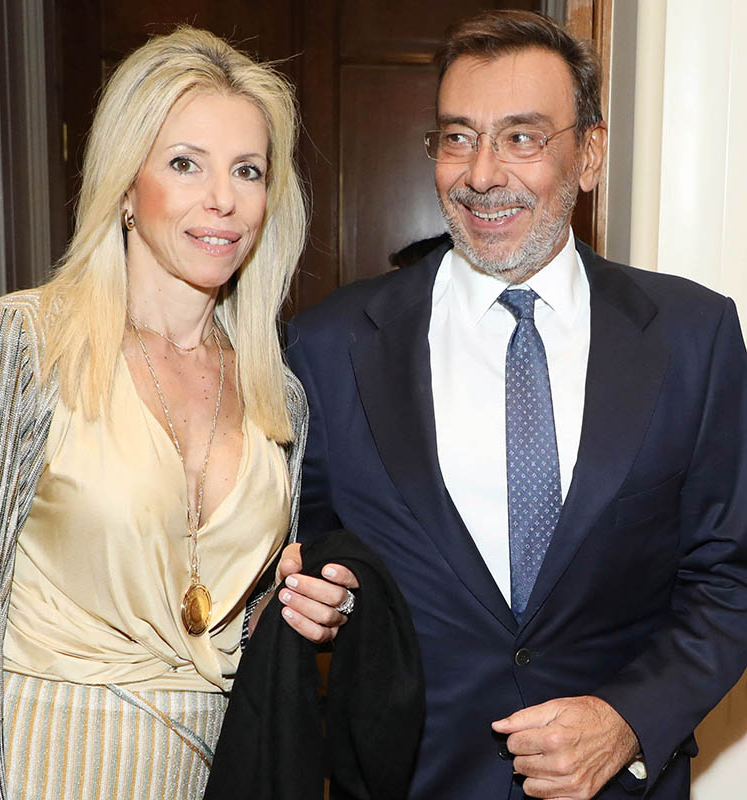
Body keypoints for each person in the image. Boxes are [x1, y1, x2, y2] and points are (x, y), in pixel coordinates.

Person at [287, 10, 747, 800]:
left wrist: (629, 721)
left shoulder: (692, 336)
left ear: (589, 154)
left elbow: (730, 578)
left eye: (521, 137)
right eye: (458, 137)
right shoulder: (330, 345)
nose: (481, 174)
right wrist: (316, 601)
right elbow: (308, 551)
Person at [0, 26, 357, 800]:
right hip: (44, 766)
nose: (223, 198)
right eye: (185, 163)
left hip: (221, 766)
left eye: (247, 170)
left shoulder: (278, 393)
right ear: (124, 184)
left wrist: (303, 610)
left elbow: (229, 618)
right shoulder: (21, 346)